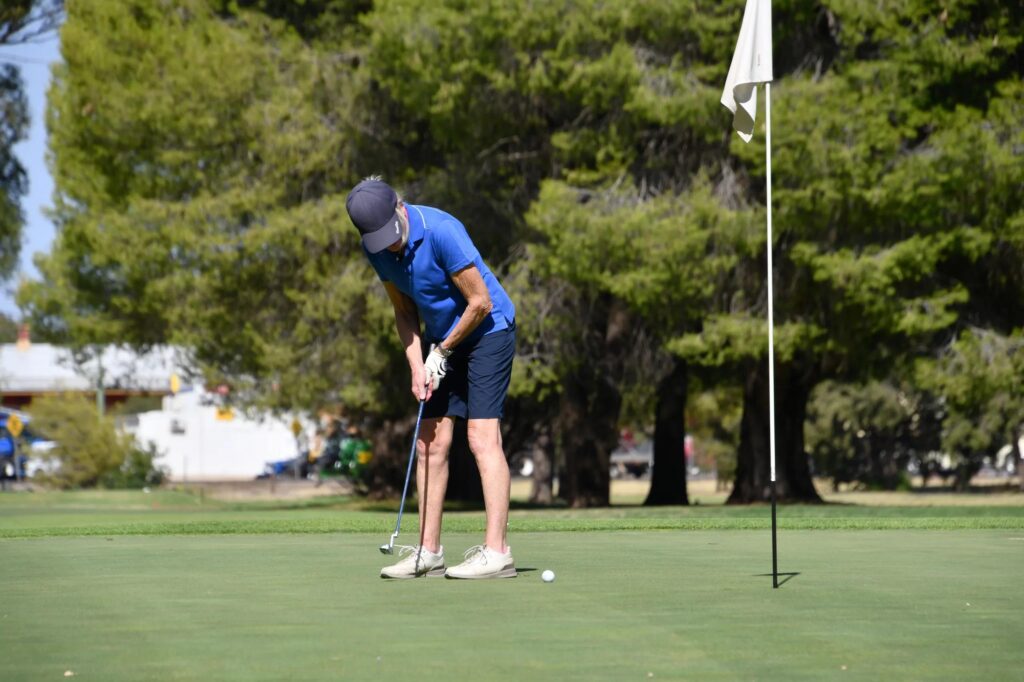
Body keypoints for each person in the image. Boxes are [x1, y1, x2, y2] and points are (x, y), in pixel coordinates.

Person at [346, 176, 517, 580]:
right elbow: (404, 311)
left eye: (392, 234)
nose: (390, 245)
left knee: (480, 436)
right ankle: (429, 551)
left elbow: (480, 302)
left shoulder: (441, 230)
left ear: (399, 208)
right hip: (443, 340)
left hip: (489, 330)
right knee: (429, 442)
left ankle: (497, 552)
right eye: (379, 240)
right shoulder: (377, 248)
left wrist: (440, 352)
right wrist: (417, 365)